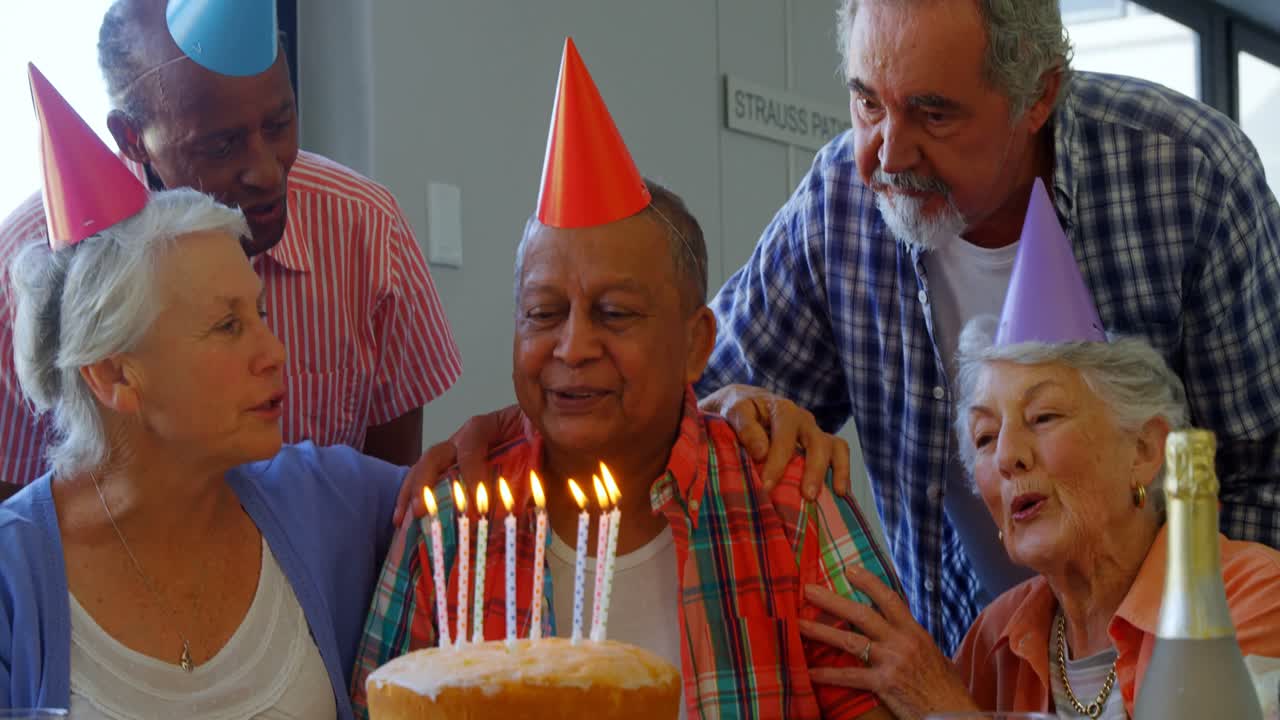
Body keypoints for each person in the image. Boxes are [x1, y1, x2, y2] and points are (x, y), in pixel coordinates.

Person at [693, 0, 1280, 653]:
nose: (887, 154)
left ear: (1040, 95)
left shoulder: (1186, 175)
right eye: (867, 104)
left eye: (934, 113)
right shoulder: (839, 206)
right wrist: (743, 411)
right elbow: (698, 400)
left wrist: (1183, 670)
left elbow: (1263, 475)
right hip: (967, 667)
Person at [351, 40, 899, 720]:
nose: (573, 347)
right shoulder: (456, 521)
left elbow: (889, 704)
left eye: (615, 313)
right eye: (543, 313)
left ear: (697, 344)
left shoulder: (787, 499)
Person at [0, 71, 433, 718]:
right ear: (114, 375)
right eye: (229, 325)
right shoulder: (13, 580)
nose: (275, 353)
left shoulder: (330, 501)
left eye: (259, 314)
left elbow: (481, 502)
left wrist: (498, 432)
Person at [795, 181, 1280, 719]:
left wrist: (950, 709)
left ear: (1144, 448)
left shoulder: (1252, 595)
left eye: (1043, 417)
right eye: (984, 438)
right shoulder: (995, 638)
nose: (1007, 457)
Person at [0, 0, 461, 485]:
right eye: (221, 146)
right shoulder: (27, 279)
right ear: (132, 138)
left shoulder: (366, 230)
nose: (266, 171)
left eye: (280, 124)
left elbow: (388, 497)